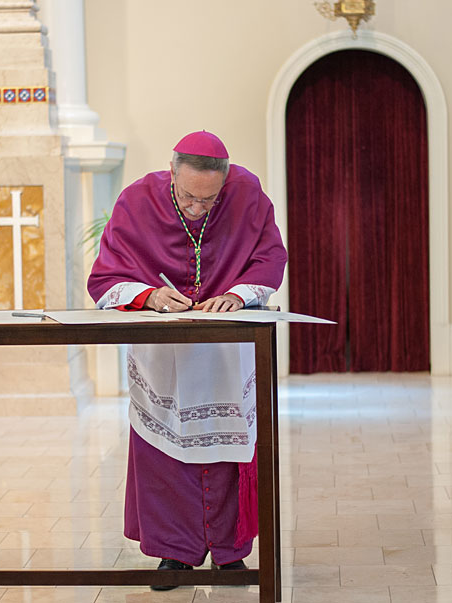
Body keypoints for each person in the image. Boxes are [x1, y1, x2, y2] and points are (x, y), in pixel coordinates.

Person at [87, 131, 288, 590]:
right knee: (164, 456)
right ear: (171, 173)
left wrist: (239, 293)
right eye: (188, 198)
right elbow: (107, 276)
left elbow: (270, 257)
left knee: (228, 453)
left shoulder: (248, 194)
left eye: (209, 200)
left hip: (226, 354)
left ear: (225, 181)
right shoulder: (137, 200)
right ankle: (174, 556)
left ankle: (230, 553)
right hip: (166, 356)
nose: (198, 209)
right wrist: (150, 294)